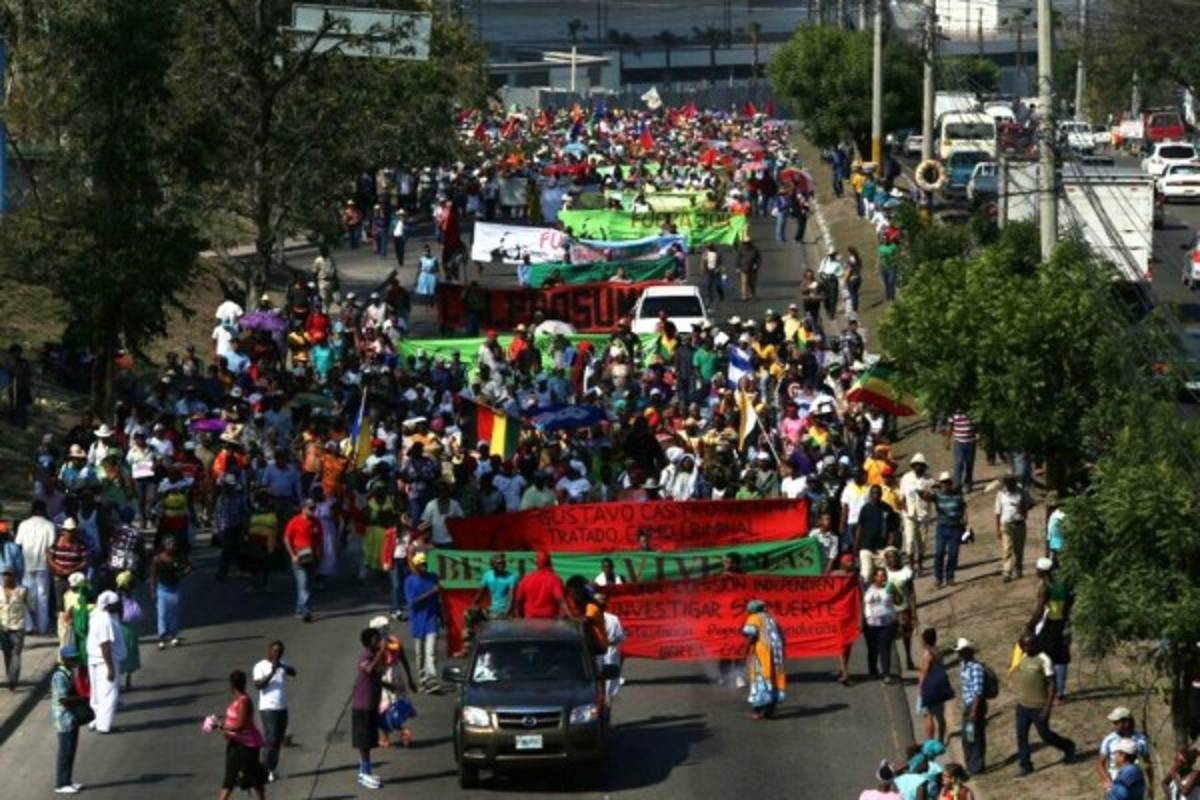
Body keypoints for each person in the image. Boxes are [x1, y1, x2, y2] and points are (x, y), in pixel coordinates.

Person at [1011, 632, 1075, 775]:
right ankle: (1025, 764)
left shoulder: (1044, 659)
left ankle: (1068, 746)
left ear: (1036, 644)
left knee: (1045, 735)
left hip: (1038, 707)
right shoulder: (1023, 657)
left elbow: (1052, 684)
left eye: (1030, 644)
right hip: (1022, 706)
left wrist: (1047, 707)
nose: (1027, 648)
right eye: (1024, 645)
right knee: (1021, 736)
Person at [216, 669, 267, 800]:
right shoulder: (238, 700)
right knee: (230, 778)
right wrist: (220, 721)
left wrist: (221, 726)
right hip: (235, 744)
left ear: (232, 685)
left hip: (247, 746)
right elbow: (234, 719)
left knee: (253, 777)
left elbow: (241, 725)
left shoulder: (244, 701)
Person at [253, 640, 297, 783]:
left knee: (278, 740)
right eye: (276, 650)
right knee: (270, 739)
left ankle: (272, 768)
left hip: (282, 707)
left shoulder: (282, 663)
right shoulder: (260, 666)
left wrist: (282, 666)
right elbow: (258, 685)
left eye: (281, 651)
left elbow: (293, 672)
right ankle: (263, 769)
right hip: (268, 708)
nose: (279, 653)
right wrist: (272, 672)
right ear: (269, 651)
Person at [352, 627, 389, 790]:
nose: (379, 641)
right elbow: (369, 669)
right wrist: (381, 652)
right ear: (369, 642)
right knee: (364, 742)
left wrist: (389, 685)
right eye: (376, 639)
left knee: (369, 740)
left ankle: (365, 771)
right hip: (363, 705)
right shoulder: (365, 656)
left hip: (372, 704)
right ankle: (364, 773)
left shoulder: (374, 657)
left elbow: (377, 674)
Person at [50, 644, 89, 794]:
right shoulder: (59, 676)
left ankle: (67, 780)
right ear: (64, 659)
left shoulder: (69, 672)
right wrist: (84, 698)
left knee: (71, 750)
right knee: (65, 751)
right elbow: (64, 700)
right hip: (63, 718)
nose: (75, 660)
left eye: (75, 657)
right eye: (72, 658)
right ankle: (61, 784)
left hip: (71, 718)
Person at [85, 590, 125, 733]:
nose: (119, 605)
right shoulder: (105, 621)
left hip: (95, 660)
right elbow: (105, 646)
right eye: (116, 604)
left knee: (97, 694)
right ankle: (104, 726)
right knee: (109, 694)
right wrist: (110, 669)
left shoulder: (97, 614)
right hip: (105, 661)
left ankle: (98, 721)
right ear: (108, 606)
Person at [461, 553, 516, 655]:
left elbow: (511, 598)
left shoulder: (511, 577)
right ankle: (467, 646)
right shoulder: (488, 575)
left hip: (503, 612)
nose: (501, 565)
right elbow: (480, 594)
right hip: (491, 611)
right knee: (468, 613)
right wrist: (474, 605)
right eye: (498, 563)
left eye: (503, 563)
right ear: (492, 565)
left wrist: (506, 612)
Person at [16, 499, 55, 635]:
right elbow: (51, 546)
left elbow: (18, 543)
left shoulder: (23, 525)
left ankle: (29, 626)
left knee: (27, 597)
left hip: (27, 564)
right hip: (43, 565)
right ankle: (42, 627)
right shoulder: (49, 525)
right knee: (43, 598)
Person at [742, 599, 786, 719]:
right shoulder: (772, 618)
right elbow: (781, 635)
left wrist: (745, 650)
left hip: (762, 652)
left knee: (760, 679)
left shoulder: (754, 618)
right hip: (776, 653)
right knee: (774, 679)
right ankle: (770, 711)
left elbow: (751, 634)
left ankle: (756, 712)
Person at [404, 552, 441, 692]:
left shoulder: (433, 577)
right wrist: (431, 592)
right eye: (421, 565)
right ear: (415, 566)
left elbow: (440, 597)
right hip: (417, 623)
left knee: (430, 653)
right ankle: (423, 680)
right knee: (419, 654)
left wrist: (442, 616)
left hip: (431, 621)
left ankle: (432, 680)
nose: (424, 567)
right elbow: (412, 602)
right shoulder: (409, 581)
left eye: (425, 564)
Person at [1099, 707, 1153, 796]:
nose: (1113, 725)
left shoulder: (1140, 739)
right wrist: (1106, 780)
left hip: (1135, 784)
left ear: (1126, 722)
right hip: (1116, 783)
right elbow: (1100, 764)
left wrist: (1151, 784)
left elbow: (1147, 762)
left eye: (1116, 722)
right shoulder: (1109, 740)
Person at [283, 499, 322, 622]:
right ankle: (305, 611)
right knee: (303, 584)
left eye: (314, 508)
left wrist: (320, 553)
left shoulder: (316, 522)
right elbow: (287, 539)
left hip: (312, 557)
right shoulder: (295, 521)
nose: (313, 510)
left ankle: (299, 609)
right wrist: (292, 555)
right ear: (303, 509)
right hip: (299, 557)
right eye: (310, 508)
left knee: (308, 585)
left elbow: (320, 539)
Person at [150, 536, 190, 649]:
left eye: (174, 544)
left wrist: (182, 574)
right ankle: (162, 638)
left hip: (174, 589)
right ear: (165, 546)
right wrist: (152, 590)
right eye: (170, 544)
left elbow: (189, 566)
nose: (173, 546)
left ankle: (173, 636)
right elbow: (153, 575)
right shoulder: (157, 559)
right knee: (162, 614)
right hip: (162, 590)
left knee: (174, 614)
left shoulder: (178, 557)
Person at [955, 638, 988, 776]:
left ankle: (976, 766)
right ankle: (971, 764)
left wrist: (974, 711)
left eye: (961, 651)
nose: (959, 654)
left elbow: (978, 692)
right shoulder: (964, 665)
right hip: (968, 706)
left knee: (974, 736)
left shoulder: (975, 668)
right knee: (968, 736)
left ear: (969, 651)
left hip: (975, 707)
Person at [855, 485, 899, 584]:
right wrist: (856, 547)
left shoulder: (887, 508)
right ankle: (865, 593)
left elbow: (892, 529)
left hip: (882, 548)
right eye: (873, 493)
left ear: (881, 494)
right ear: (870, 495)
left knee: (886, 576)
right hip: (866, 547)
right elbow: (859, 528)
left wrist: (889, 545)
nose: (876, 495)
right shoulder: (865, 509)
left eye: (878, 493)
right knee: (866, 575)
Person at [863, 566, 900, 683]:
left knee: (885, 648)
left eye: (884, 575)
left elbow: (899, 601)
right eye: (880, 576)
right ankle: (873, 671)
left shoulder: (889, 587)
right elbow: (861, 605)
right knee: (872, 649)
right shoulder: (867, 589)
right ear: (874, 577)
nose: (882, 578)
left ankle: (886, 674)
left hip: (887, 624)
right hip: (871, 625)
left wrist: (895, 592)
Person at [995, 474, 1034, 582]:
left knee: (1019, 549)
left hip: (1019, 523)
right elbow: (997, 512)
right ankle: (1007, 572)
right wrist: (998, 528)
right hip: (1006, 524)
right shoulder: (1000, 494)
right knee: (1007, 549)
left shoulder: (1022, 492)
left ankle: (1018, 569)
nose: (1009, 484)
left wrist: (1023, 508)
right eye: (1007, 482)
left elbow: (1032, 503)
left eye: (1011, 482)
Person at [899, 453, 934, 576]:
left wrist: (922, 494)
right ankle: (911, 566)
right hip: (909, 514)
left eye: (921, 465)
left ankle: (919, 565)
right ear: (913, 466)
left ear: (924, 467)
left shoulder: (929, 480)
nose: (918, 467)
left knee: (922, 541)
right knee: (909, 541)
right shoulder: (906, 478)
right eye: (916, 465)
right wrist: (905, 510)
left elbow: (931, 498)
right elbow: (902, 496)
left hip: (923, 514)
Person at [932, 472, 967, 589]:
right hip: (942, 527)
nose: (945, 485)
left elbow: (963, 508)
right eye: (943, 482)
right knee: (939, 553)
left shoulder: (957, 496)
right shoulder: (937, 495)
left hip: (955, 527)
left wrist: (965, 520)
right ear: (940, 484)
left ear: (950, 483)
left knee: (953, 553)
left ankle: (950, 577)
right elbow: (926, 496)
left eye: (947, 482)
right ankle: (938, 578)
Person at [916, 628, 949, 743]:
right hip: (939, 686)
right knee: (940, 716)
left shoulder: (927, 655)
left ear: (925, 640)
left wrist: (921, 688)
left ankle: (930, 741)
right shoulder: (938, 652)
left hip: (929, 687)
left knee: (928, 715)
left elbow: (924, 672)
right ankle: (941, 740)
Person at [513, 550, 565, 619]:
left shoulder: (526, 579)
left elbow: (518, 602)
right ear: (550, 563)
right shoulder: (555, 579)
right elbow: (561, 600)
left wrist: (518, 617)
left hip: (529, 619)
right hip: (548, 620)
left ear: (536, 563)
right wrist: (566, 616)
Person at [0, 566, 29, 689]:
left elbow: (30, 604)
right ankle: (10, 677)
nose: (6, 577)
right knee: (7, 654)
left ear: (14, 576)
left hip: (18, 627)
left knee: (16, 653)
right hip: (3, 628)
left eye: (9, 574)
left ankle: (13, 679)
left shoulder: (22, 591)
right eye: (5, 574)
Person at [114, 571, 142, 690]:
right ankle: (128, 681)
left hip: (120, 627)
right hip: (130, 629)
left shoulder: (116, 596)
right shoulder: (131, 594)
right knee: (130, 652)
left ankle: (118, 681)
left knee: (119, 653)